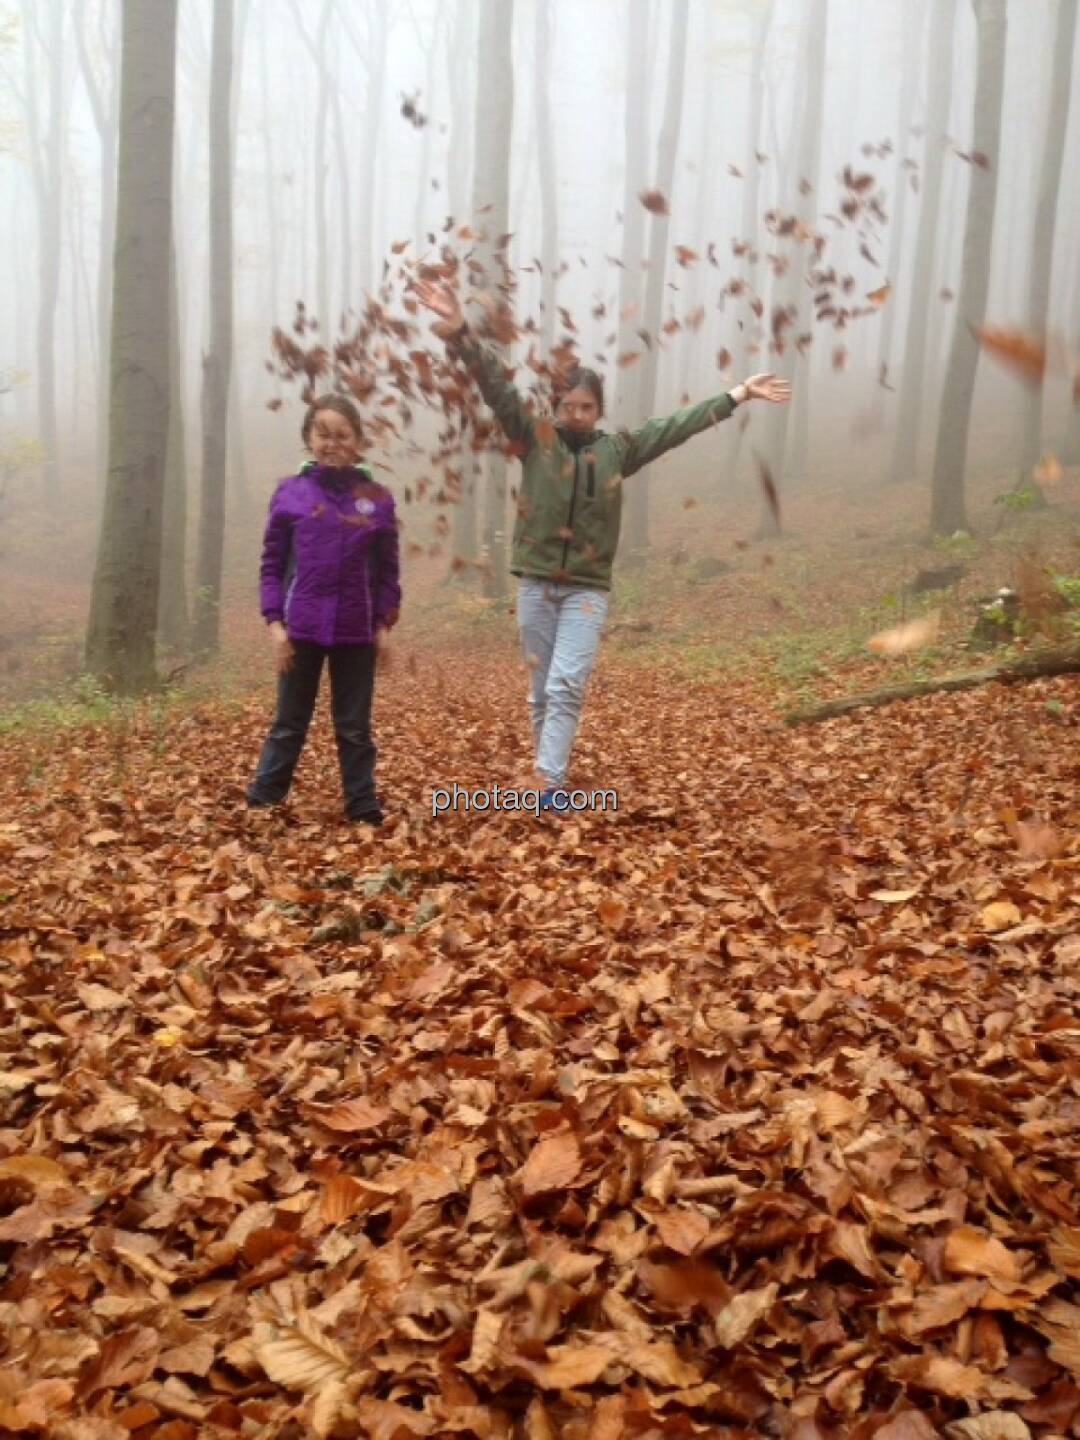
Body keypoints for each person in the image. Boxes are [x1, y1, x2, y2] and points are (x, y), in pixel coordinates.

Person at [415, 279, 790, 810]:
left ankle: (548, 785)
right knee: (542, 688)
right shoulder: (535, 439)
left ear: (598, 409)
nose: (576, 415)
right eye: (568, 405)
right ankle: (548, 777)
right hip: (538, 583)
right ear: (556, 405)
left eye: (586, 407)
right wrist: (460, 335)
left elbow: (674, 427)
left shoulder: (617, 451)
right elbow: (495, 388)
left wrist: (738, 395)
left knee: (567, 683)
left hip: (586, 590)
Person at [247, 394, 400, 825]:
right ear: (308, 437)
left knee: (354, 727)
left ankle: (363, 807)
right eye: (322, 434)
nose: (331, 443)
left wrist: (384, 622)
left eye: (341, 435)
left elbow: (388, 570)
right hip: (301, 628)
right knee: (288, 723)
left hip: (356, 629)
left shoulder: (378, 499)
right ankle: (262, 801)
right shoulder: (290, 494)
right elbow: (272, 564)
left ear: (357, 441)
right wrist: (274, 623)